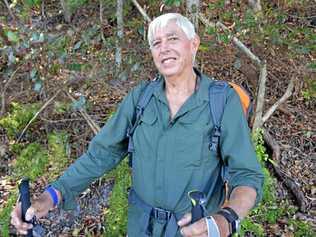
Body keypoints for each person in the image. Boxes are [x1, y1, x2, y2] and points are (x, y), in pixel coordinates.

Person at [11, 13, 264, 237]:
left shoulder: (221, 101)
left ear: (194, 44)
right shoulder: (140, 99)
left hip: (195, 229)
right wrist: (51, 196)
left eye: (173, 39)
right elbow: (101, 154)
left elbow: (247, 175)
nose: (164, 48)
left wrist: (225, 220)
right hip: (141, 227)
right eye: (156, 43)